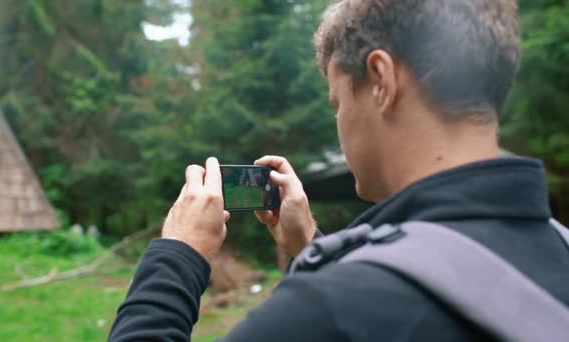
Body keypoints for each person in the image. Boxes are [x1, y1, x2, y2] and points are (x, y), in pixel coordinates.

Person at [109, 0, 569, 340]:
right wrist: (308, 246)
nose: (339, 123)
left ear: (382, 82)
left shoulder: (328, 311)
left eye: (337, 102)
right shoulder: (559, 252)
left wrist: (178, 254)